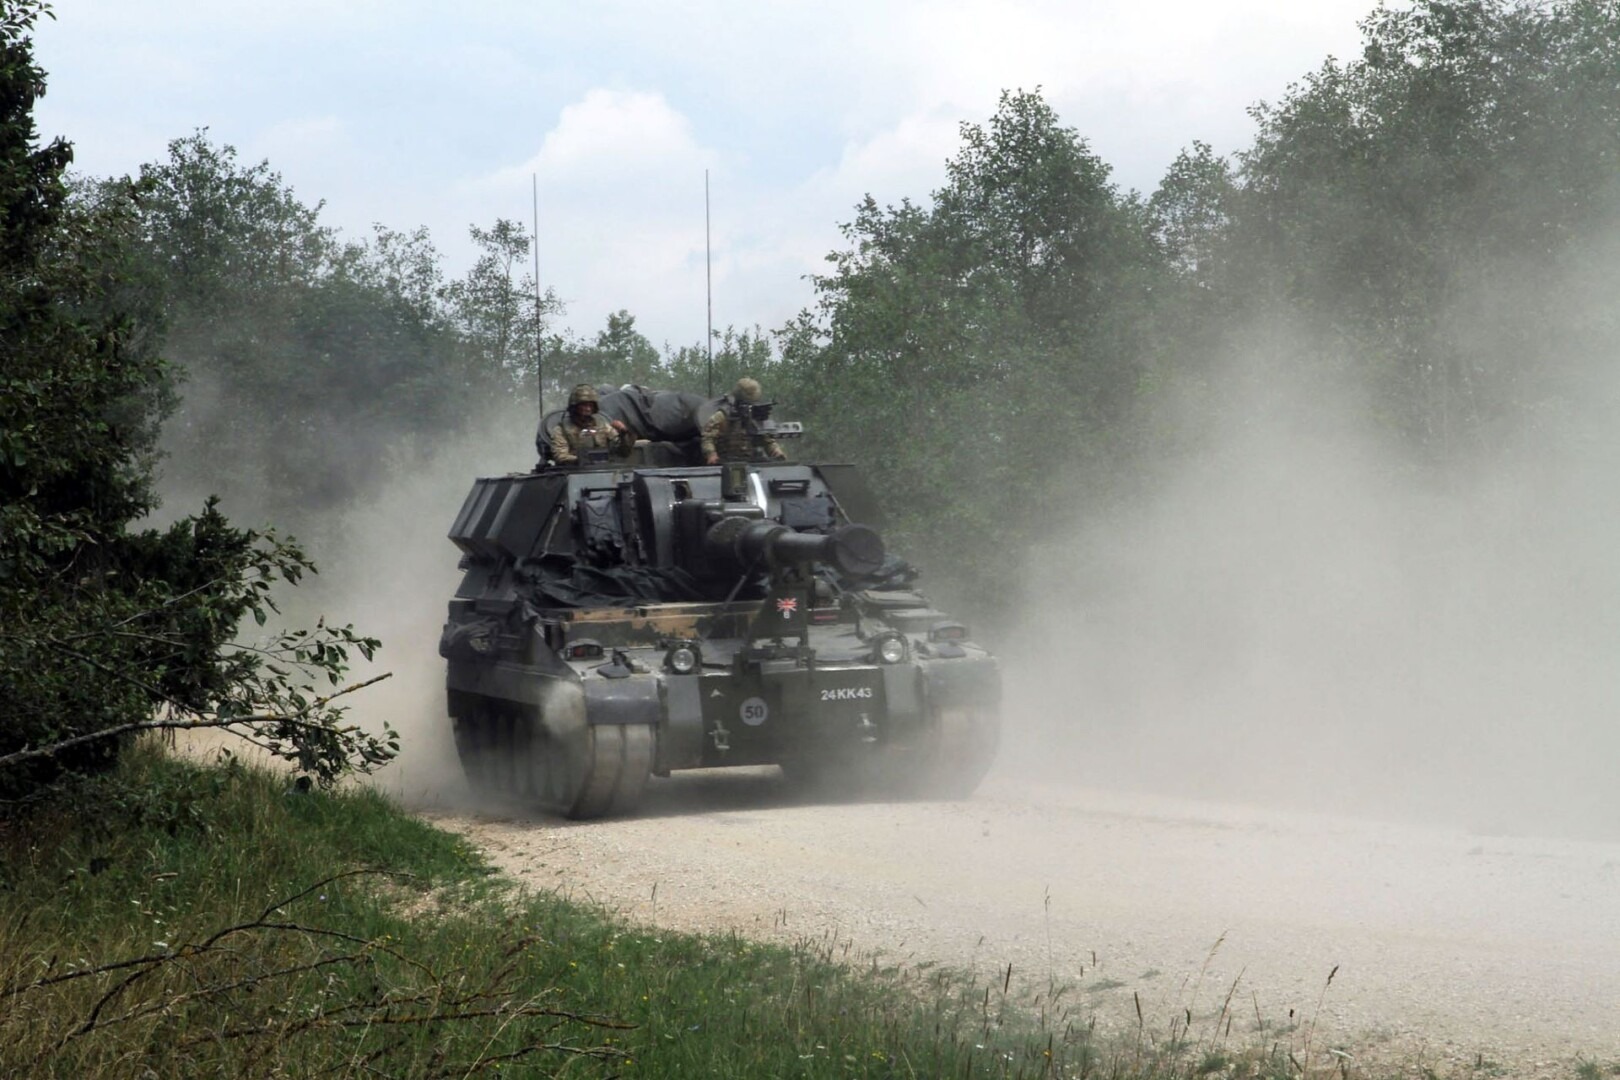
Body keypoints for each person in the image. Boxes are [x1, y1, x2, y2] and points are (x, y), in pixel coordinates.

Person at [700, 377, 788, 464]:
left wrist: (776, 451)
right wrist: (711, 454)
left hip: (752, 461)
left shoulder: (756, 416)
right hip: (726, 461)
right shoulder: (723, 416)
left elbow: (767, 439)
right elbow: (708, 437)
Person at [549, 384, 634, 465]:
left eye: (590, 405)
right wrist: (585, 459)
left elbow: (623, 452)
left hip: (602, 469)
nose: (588, 409)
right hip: (574, 471)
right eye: (584, 405)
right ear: (575, 406)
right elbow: (561, 456)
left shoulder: (602, 425)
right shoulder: (562, 429)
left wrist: (623, 434)